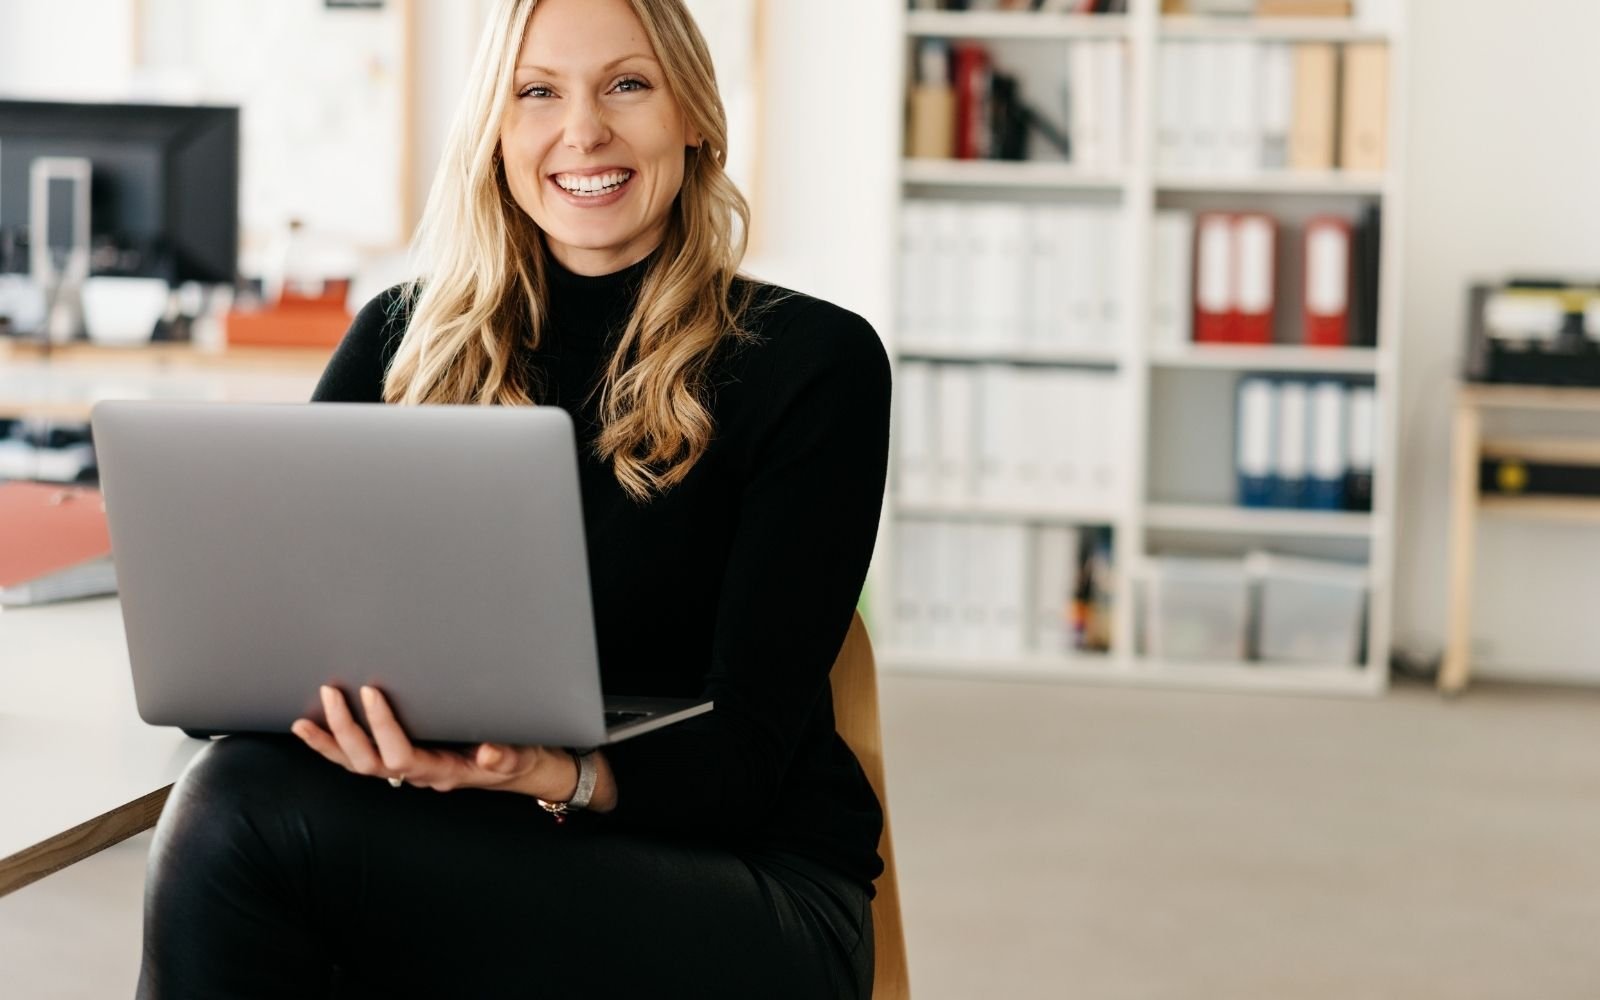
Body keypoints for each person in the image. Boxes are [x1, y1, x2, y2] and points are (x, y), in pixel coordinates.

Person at [135, 0, 890, 997]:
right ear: (495, 127)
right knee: (241, 798)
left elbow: (749, 754)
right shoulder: (400, 344)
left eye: (628, 84)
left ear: (694, 114)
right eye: (537, 92)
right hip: (463, 841)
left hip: (743, 884)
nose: (583, 131)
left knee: (237, 822)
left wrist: (555, 772)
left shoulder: (812, 364)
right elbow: (282, 652)